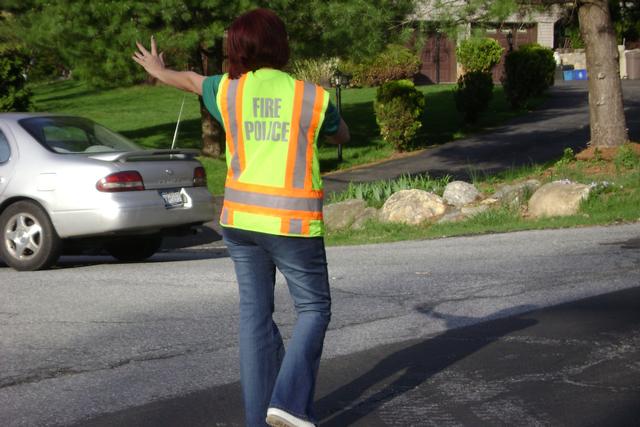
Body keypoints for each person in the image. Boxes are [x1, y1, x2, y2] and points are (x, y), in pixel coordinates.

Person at [133, 8, 349, 427]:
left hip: (239, 221)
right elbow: (341, 135)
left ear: (236, 49)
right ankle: (288, 403)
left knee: (255, 316)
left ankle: (259, 419)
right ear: (280, 46)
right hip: (292, 224)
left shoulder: (228, 91)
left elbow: (191, 81)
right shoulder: (312, 97)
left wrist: (158, 70)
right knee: (314, 309)